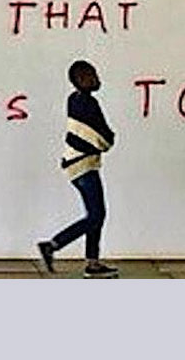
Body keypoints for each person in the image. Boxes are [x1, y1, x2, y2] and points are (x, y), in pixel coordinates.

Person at [37, 60, 119, 278]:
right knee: (96, 215)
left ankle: (93, 264)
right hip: (83, 164)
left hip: (76, 164)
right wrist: (109, 140)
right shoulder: (87, 103)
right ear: (80, 80)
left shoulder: (75, 100)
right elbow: (100, 136)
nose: (96, 78)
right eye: (91, 75)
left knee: (95, 215)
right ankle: (53, 245)